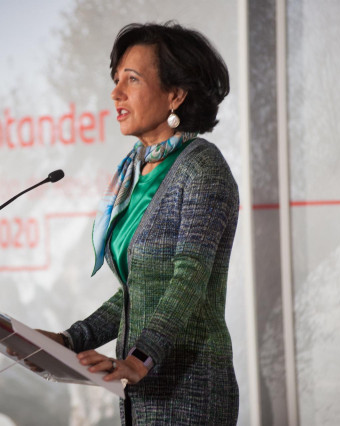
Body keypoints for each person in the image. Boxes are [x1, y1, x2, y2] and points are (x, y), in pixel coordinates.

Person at [41, 21, 239, 424]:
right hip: (140, 388)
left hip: (190, 389)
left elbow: (189, 280)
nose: (116, 93)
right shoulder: (135, 173)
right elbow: (137, 294)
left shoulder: (203, 168)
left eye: (131, 80)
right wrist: (69, 340)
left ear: (175, 95)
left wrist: (140, 358)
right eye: (116, 80)